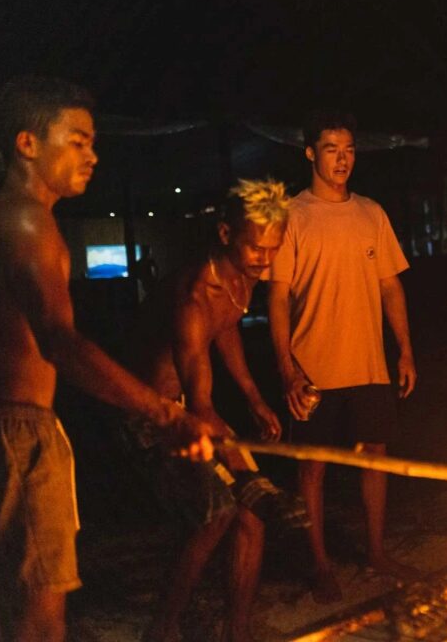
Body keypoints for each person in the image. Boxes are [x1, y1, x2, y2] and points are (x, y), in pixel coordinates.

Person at [0, 76, 212, 642]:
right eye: (78, 140)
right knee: (40, 622)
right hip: (18, 434)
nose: (93, 155)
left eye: (93, 143)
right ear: (28, 144)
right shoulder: (25, 219)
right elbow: (59, 341)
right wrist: (164, 413)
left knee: (6, 612)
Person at [123, 178, 290, 642]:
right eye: (257, 248)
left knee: (251, 519)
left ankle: (237, 632)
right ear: (224, 234)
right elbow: (199, 405)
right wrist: (245, 472)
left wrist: (255, 398)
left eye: (274, 248)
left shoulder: (244, 276)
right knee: (216, 513)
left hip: (193, 408)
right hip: (155, 417)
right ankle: (164, 627)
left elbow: (228, 327)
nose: (265, 259)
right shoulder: (194, 296)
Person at [269, 111, 417, 603]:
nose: (342, 158)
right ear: (310, 152)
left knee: (375, 457)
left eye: (349, 149)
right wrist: (288, 370)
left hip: (370, 364)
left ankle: (375, 551)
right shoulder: (292, 215)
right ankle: (319, 563)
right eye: (331, 148)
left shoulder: (371, 213)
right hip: (314, 368)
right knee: (313, 467)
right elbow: (277, 297)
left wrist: (405, 351)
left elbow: (391, 287)